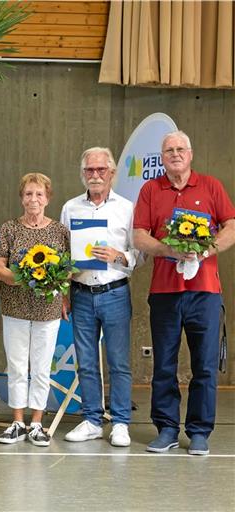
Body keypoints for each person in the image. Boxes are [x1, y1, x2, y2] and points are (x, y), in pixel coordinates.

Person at [133, 130, 235, 456]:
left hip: (205, 291)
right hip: (164, 291)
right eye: (168, 150)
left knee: (204, 365)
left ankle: (200, 431)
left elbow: (231, 226)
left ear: (190, 154)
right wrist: (167, 250)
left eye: (180, 149)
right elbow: (138, 236)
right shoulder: (151, 189)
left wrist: (205, 252)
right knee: (164, 363)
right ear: (161, 158)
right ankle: (166, 429)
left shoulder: (211, 186)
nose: (175, 154)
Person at [60, 147, 140, 448]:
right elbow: (62, 254)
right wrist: (63, 294)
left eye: (101, 170)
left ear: (112, 173)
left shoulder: (127, 208)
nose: (95, 175)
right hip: (80, 293)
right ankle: (92, 419)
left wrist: (119, 256)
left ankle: (120, 422)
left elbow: (139, 253)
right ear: (83, 174)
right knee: (86, 362)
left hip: (115, 292)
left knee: (119, 362)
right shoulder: (70, 208)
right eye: (89, 170)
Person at [0, 172, 69, 447]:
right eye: (28, 194)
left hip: (47, 309)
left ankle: (37, 422)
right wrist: (24, 277)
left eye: (39, 194)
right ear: (21, 198)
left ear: (48, 198)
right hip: (14, 306)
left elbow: (67, 271)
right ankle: (17, 422)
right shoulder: (9, 229)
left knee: (40, 367)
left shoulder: (60, 231)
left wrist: (61, 294)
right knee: (16, 365)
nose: (33, 199)